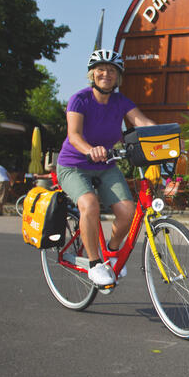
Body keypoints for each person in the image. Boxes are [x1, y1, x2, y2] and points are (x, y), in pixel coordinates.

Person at [56, 49, 155, 287]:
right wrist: (90, 149)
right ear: (92, 74)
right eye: (101, 69)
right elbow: (74, 134)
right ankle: (94, 263)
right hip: (74, 165)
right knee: (89, 204)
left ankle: (110, 253)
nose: (106, 74)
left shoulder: (121, 102)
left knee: (128, 211)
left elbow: (143, 123)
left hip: (106, 165)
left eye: (112, 70)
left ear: (118, 77)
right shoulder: (80, 99)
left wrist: (168, 137)